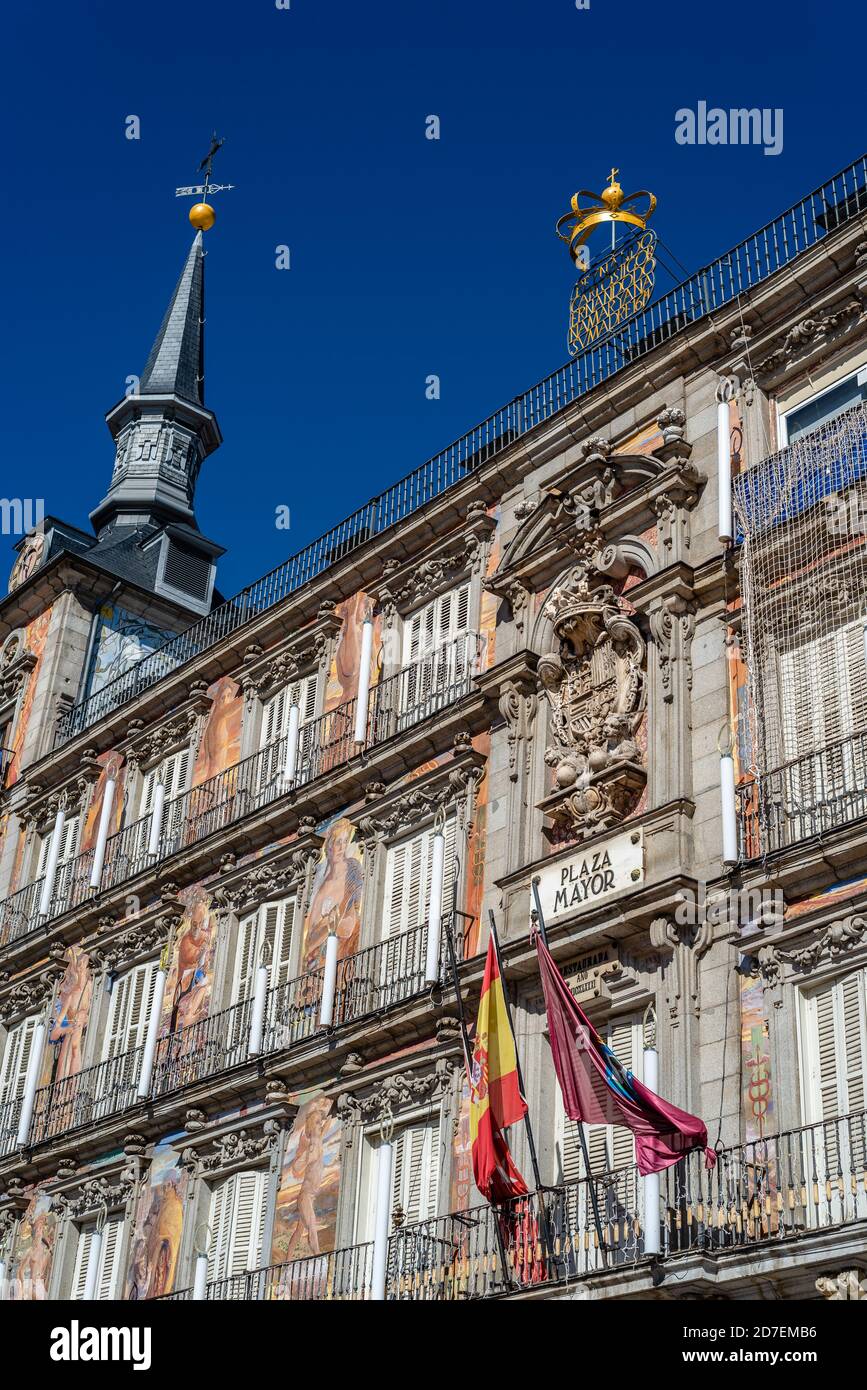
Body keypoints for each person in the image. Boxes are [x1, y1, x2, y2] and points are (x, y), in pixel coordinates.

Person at [303, 819, 363, 970]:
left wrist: (335, 924)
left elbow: (356, 912)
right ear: (329, 846)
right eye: (337, 842)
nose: (342, 847)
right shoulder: (321, 886)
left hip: (347, 952)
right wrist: (326, 925)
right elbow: (310, 939)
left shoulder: (353, 869)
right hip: (322, 963)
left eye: (345, 842)